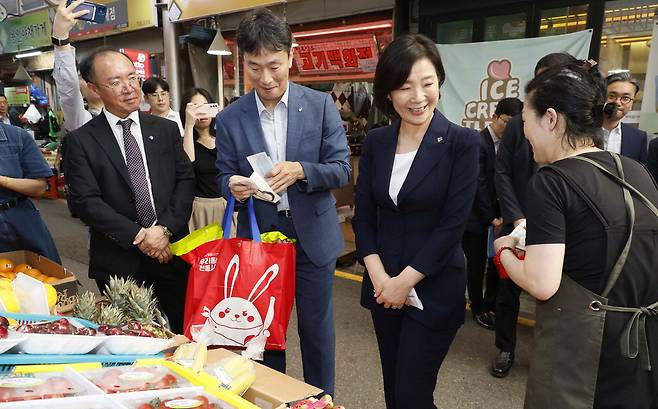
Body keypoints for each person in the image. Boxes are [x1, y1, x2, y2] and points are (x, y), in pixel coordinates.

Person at [494, 61, 658, 409]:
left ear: (551, 119)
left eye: (526, 121)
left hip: (584, 355)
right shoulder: (634, 170)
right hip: (640, 348)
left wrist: (504, 249)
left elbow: (542, 283)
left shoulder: (552, 181)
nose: (524, 134)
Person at [215, 8, 351, 396]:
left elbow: (342, 169)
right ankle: (275, 399)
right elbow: (223, 176)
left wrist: (303, 171)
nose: (266, 78)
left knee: (317, 331)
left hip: (313, 237)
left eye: (274, 65)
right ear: (243, 63)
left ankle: (320, 400)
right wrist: (234, 186)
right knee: (265, 332)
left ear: (292, 55)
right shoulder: (231, 118)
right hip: (262, 239)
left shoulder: (321, 105)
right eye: (255, 67)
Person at [352, 34, 480, 409]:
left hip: (433, 287)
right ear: (388, 92)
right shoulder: (376, 142)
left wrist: (403, 283)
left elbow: (452, 227)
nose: (418, 96)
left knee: (412, 395)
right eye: (405, 87)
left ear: (439, 81)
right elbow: (364, 218)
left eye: (427, 83)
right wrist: (380, 280)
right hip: (382, 287)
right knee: (395, 392)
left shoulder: (463, 143)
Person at [65, 48, 195, 333]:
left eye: (133, 78)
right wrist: (141, 236)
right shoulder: (81, 141)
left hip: (171, 251)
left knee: (186, 333)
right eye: (115, 82)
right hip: (119, 260)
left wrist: (164, 230)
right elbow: (85, 202)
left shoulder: (164, 129)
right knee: (131, 341)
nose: (129, 88)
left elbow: (185, 180)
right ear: (93, 88)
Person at [491, 52, 580, 378]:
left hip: (562, 226)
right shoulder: (518, 123)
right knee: (508, 291)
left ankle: (551, 358)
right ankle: (505, 348)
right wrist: (516, 218)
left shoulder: (580, 125)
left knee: (556, 292)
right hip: (521, 223)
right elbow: (503, 172)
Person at [462, 97, 522, 330]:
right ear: (494, 117)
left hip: (500, 218)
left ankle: (491, 304)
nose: (509, 128)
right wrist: (491, 217)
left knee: (496, 262)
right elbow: (479, 184)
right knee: (476, 265)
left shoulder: (511, 144)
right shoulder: (478, 142)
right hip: (477, 218)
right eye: (506, 122)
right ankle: (477, 308)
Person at [0, 122, 61, 263]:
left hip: (18, 218)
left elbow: (39, 187)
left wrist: (3, 181)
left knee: (43, 274)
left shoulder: (17, 137)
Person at [180, 87, 234, 232]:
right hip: (201, 210)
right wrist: (189, 125)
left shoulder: (224, 137)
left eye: (205, 106)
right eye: (196, 107)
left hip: (229, 208)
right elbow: (188, 165)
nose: (202, 112)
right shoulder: (185, 142)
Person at [52, 0, 104, 132]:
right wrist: (60, 38)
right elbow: (69, 91)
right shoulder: (82, 121)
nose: (93, 82)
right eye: (85, 78)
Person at [602, 72, 648, 164]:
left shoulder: (638, 138)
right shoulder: (581, 130)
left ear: (632, 103)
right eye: (612, 96)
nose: (618, 102)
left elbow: (639, 173)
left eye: (625, 98)